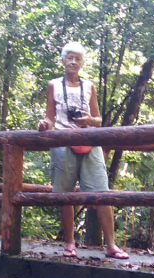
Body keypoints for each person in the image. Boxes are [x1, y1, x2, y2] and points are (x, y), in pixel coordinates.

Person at [37, 42, 129, 259]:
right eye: (69, 57)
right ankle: (69, 243)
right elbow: (49, 117)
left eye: (78, 58)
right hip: (62, 142)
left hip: (89, 141)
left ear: (83, 63)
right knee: (64, 195)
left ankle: (111, 245)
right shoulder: (53, 85)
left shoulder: (89, 86)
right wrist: (44, 125)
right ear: (62, 60)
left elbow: (98, 119)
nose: (73, 62)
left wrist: (89, 120)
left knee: (101, 193)